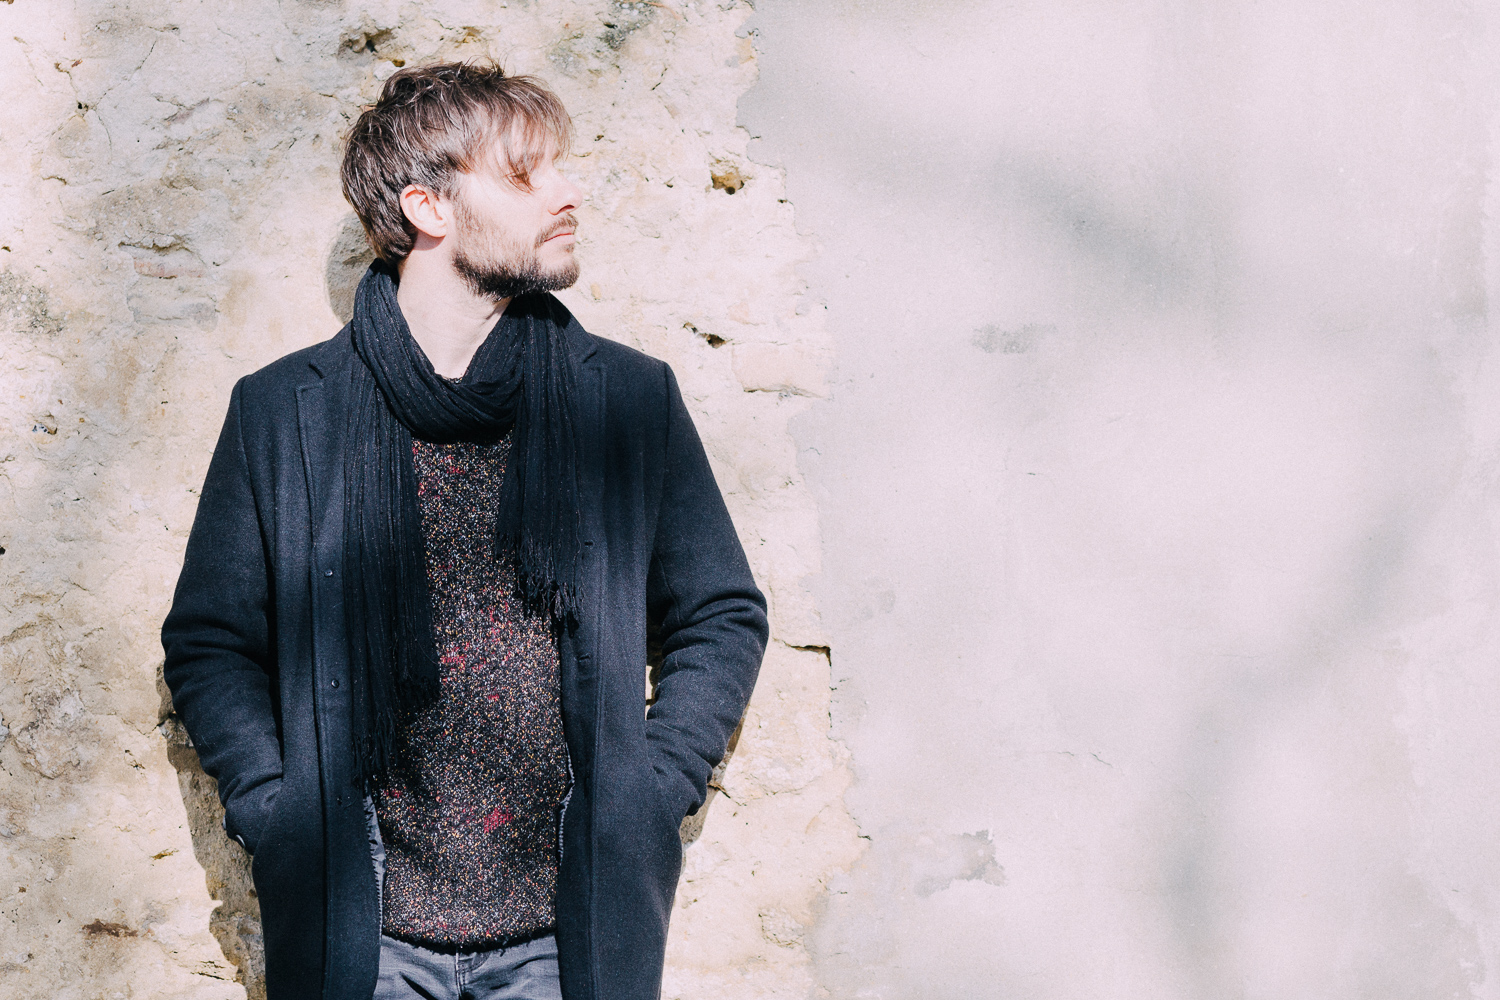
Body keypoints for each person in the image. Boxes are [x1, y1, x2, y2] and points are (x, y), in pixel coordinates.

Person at [161, 62, 768, 1000]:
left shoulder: (624, 398)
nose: (567, 193)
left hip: (567, 937)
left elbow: (720, 613)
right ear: (428, 207)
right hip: (363, 938)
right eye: (525, 175)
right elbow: (211, 640)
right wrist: (275, 812)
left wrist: (649, 794)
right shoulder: (285, 412)